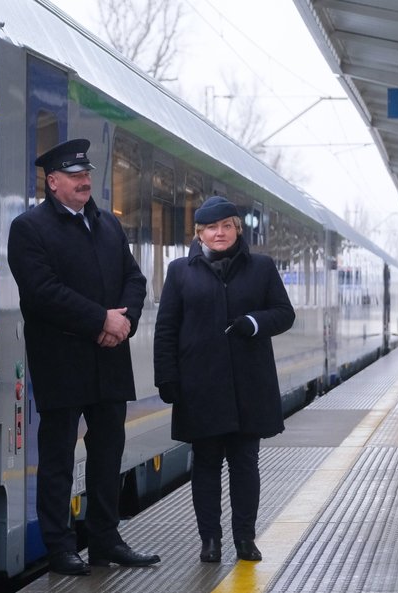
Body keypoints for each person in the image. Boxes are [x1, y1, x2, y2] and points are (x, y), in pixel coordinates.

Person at [7, 138, 158, 576]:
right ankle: (60, 545)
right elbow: (42, 293)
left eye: (87, 175)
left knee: (108, 452)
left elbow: (134, 278)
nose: (84, 182)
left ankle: (105, 539)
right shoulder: (30, 229)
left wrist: (122, 322)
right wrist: (101, 321)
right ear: (53, 182)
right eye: (75, 177)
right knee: (57, 458)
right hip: (62, 361)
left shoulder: (107, 224)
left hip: (109, 360)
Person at [153, 195, 296, 564]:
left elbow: (284, 313)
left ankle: (245, 539)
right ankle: (210, 541)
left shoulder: (261, 268)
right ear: (199, 233)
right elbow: (166, 329)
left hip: (249, 386)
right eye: (212, 228)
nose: (220, 234)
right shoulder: (180, 271)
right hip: (199, 386)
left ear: (237, 228)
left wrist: (255, 322)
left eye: (227, 226)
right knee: (205, 465)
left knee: (245, 463)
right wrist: (166, 379)